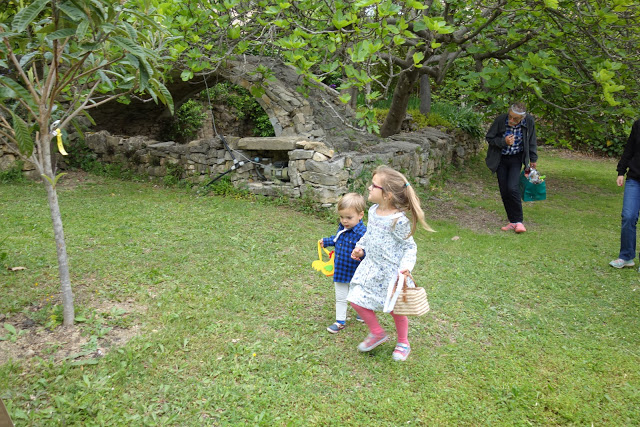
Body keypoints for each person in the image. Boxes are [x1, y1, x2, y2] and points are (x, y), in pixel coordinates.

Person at [348, 166, 434, 362]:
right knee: (355, 298)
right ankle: (377, 332)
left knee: (396, 310)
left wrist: (405, 268)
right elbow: (369, 235)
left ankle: (403, 342)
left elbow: (409, 247)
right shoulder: (373, 210)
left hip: (391, 274)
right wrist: (361, 247)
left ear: (386, 195)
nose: (369, 188)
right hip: (371, 268)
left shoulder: (398, 221)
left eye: (374, 185)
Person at [485, 102, 538, 233]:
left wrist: (533, 159)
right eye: (510, 116)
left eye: (515, 119)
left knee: (512, 188)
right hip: (500, 159)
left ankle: (519, 221)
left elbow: (532, 140)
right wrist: (503, 142)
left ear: (522, 118)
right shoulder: (500, 120)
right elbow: (490, 138)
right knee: (504, 190)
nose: (511, 120)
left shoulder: (529, 121)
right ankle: (512, 221)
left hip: (516, 158)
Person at [320, 193, 367, 333]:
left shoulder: (363, 233)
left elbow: (370, 252)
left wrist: (362, 253)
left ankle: (362, 312)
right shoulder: (342, 228)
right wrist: (326, 242)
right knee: (340, 298)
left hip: (356, 273)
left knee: (357, 296)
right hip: (341, 270)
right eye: (341, 217)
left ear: (360, 215)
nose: (344, 221)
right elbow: (337, 239)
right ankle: (340, 321)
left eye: (349, 217)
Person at [610, 119, 640, 269]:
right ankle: (626, 256)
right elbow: (629, 149)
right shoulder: (638, 124)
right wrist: (621, 171)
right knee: (628, 216)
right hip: (634, 179)